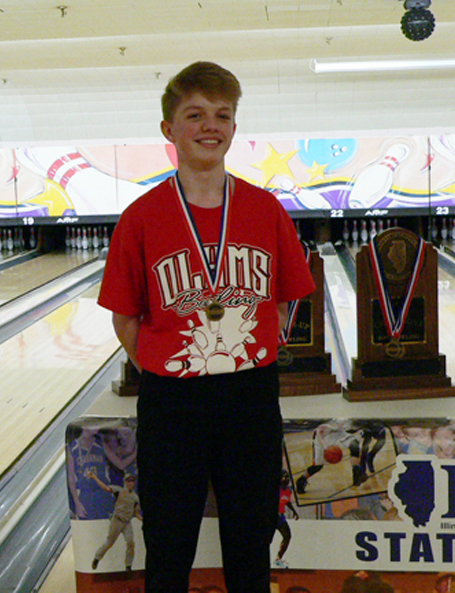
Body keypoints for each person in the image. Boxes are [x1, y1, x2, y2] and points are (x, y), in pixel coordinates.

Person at [98, 61, 315, 593]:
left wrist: (242, 351)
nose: (210, 126)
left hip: (250, 398)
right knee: (169, 548)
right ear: (170, 129)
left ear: (235, 129)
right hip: (173, 402)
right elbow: (125, 318)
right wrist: (171, 362)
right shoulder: (141, 217)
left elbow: (288, 299)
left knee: (251, 544)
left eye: (222, 114)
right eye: (194, 114)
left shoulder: (266, 210)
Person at [88, 472, 143, 571]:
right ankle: (97, 557)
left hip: (127, 522)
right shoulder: (119, 490)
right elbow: (105, 488)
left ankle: (128, 565)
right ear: (125, 482)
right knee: (110, 542)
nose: (130, 483)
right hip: (117, 520)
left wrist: (143, 519)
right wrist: (95, 477)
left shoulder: (135, 498)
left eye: (132, 481)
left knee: (131, 542)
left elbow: (136, 513)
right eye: (128, 481)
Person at [274, 470, 299, 568]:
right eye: (283, 477)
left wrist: (294, 511)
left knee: (287, 536)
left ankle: (278, 559)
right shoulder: (275, 489)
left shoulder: (289, 490)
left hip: (281, 517)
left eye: (287, 477)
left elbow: (286, 501)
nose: (286, 479)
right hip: (271, 517)